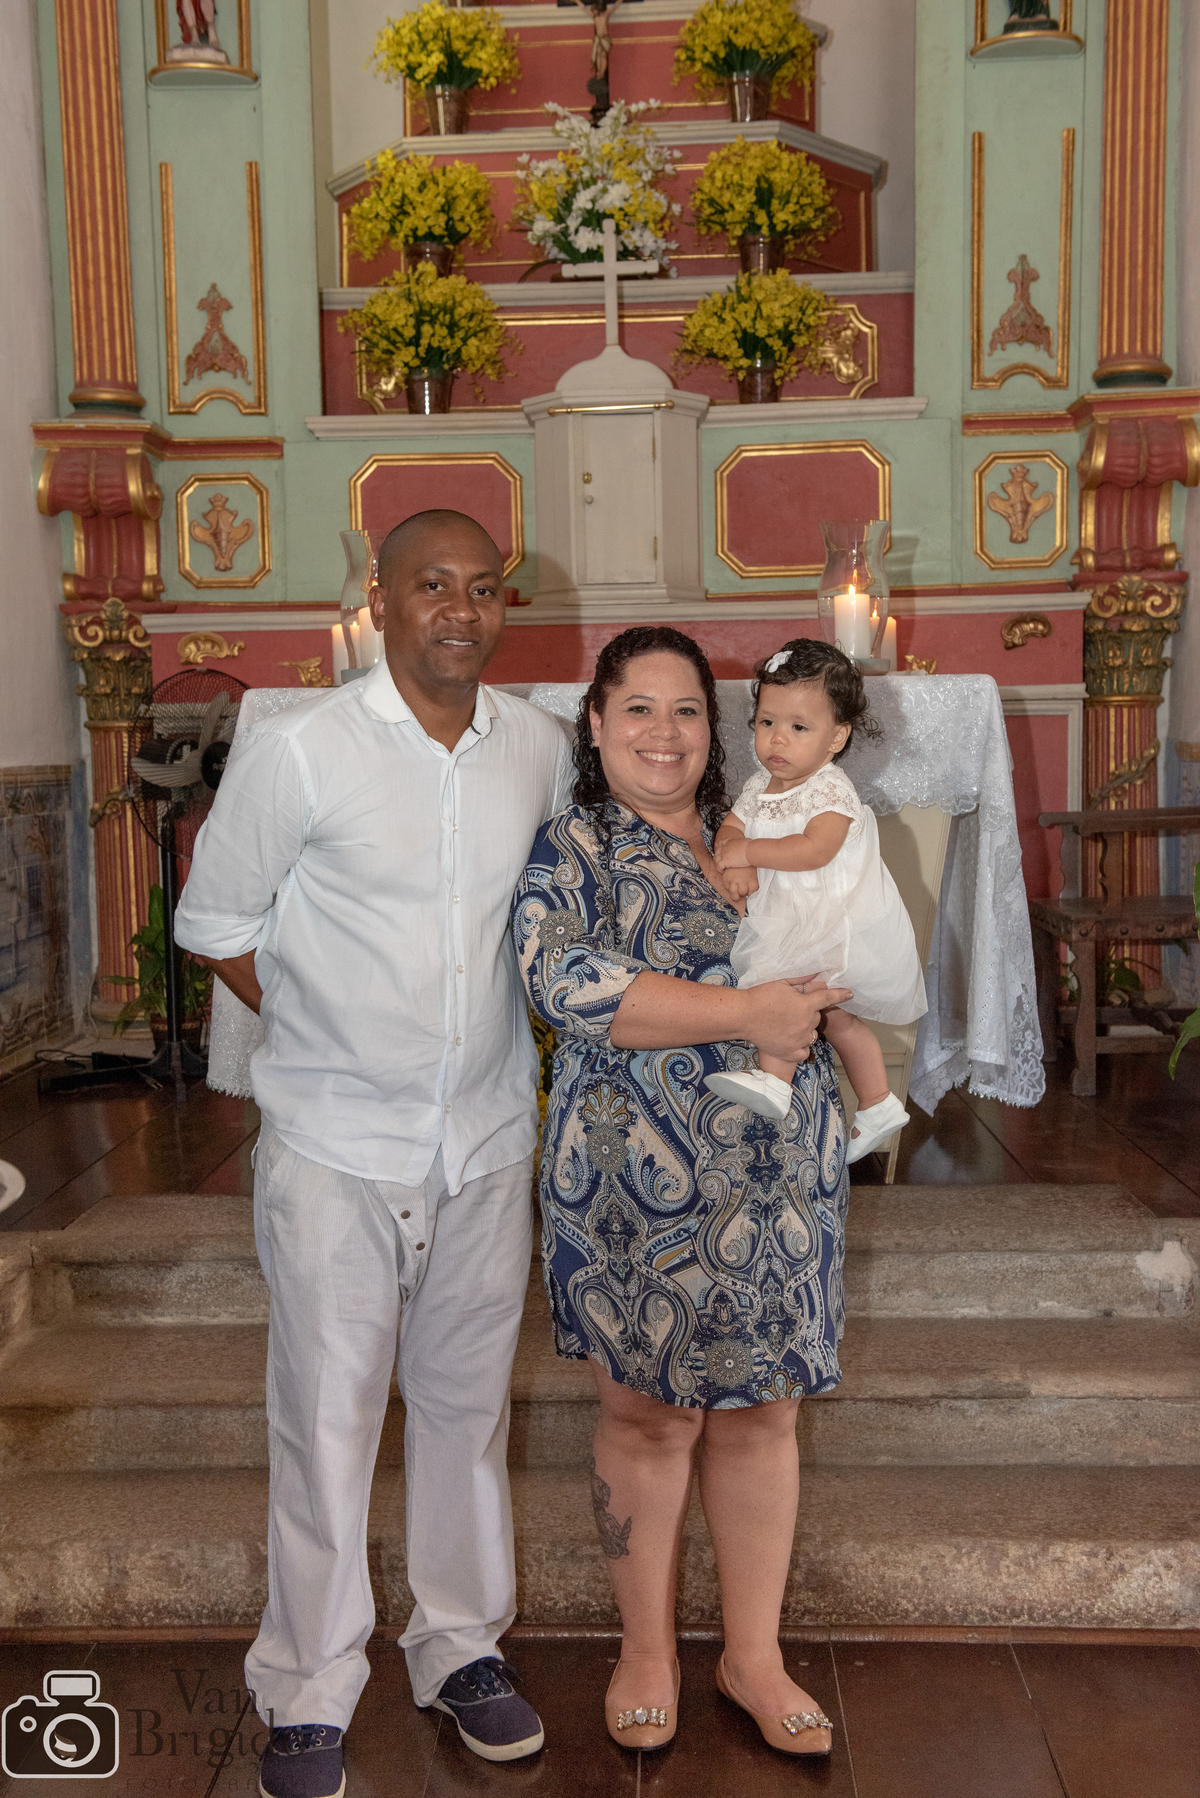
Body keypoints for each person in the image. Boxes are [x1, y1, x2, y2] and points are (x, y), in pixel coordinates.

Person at [175, 510, 572, 1798]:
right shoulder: (301, 747)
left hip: (484, 1134)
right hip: (336, 1140)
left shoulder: (540, 750)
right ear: (382, 599)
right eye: (432, 584)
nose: (461, 609)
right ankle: (306, 1684)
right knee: (327, 1419)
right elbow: (216, 920)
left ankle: (460, 1645)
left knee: (464, 1408)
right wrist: (317, 1025)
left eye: (484, 588)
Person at [511, 625, 852, 1757]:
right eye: (639, 709)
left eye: (688, 709)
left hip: (779, 1174)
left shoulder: (765, 827)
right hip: (631, 1182)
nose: (665, 732)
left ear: (717, 728)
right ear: (596, 723)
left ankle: (754, 1655)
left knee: (764, 1410)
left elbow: (847, 938)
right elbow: (564, 980)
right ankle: (646, 1649)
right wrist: (747, 1012)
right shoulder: (576, 845)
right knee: (648, 1415)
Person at [707, 639, 926, 1161]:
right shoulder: (760, 785)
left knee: (793, 995)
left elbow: (814, 849)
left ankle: (774, 1081)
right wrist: (734, 863)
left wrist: (748, 851)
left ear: (837, 737)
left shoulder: (830, 789)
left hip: (828, 921)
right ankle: (877, 1103)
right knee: (834, 1018)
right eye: (767, 722)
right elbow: (730, 831)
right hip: (787, 918)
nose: (777, 738)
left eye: (799, 727)